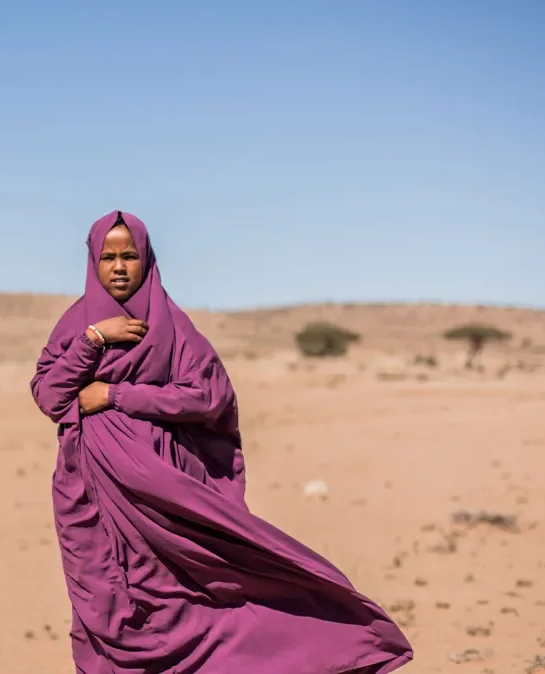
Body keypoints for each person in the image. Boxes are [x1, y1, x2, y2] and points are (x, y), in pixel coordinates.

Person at [31, 211, 413, 673]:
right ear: (93, 261)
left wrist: (116, 394)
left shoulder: (171, 326)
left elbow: (208, 395)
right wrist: (95, 338)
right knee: (101, 599)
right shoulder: (77, 324)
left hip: (163, 492)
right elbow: (51, 396)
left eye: (129, 256)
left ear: (146, 259)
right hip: (90, 493)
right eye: (108, 257)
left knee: (182, 596)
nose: (118, 267)